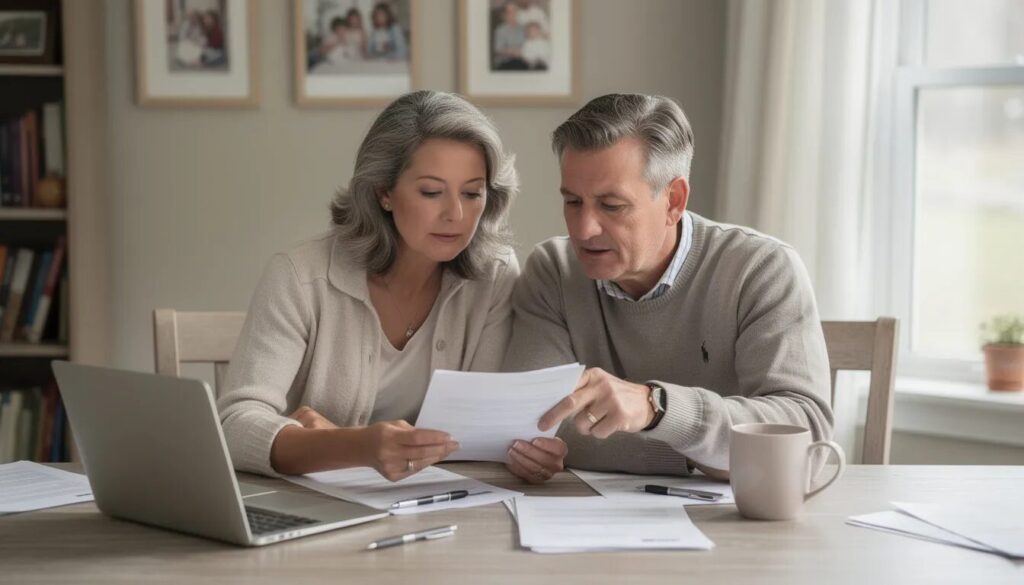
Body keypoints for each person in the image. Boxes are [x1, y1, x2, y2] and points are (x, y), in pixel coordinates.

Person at [219, 91, 554, 484]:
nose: (456, 214)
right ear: (384, 192)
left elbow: (479, 434)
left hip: (444, 504)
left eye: (472, 193)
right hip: (315, 506)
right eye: (431, 192)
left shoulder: (494, 276)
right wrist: (355, 446)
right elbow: (234, 426)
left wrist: (530, 451)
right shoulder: (299, 276)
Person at [502, 94, 834, 482]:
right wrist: (702, 452)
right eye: (573, 202)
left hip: (733, 516)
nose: (584, 229)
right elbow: (536, 424)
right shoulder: (554, 271)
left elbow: (805, 441)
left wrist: (656, 408)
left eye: (611, 205)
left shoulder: (761, 268)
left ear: (674, 201)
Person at [492, 2, 527, 70]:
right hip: (505, 62)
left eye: (515, 11)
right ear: (504, 15)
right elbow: (498, 50)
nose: (513, 14)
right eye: (510, 12)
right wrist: (513, 52)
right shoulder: (500, 30)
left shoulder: (523, 28)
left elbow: (527, 45)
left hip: (521, 61)